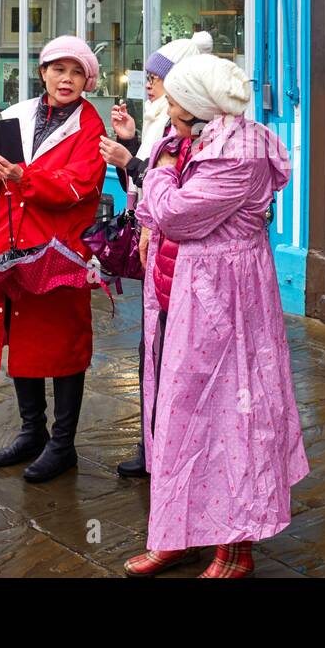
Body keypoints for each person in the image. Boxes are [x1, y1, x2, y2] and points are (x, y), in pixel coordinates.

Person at [123, 54, 309, 578]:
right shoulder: (184, 136)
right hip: (176, 290)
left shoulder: (239, 152)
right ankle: (177, 530)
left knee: (232, 412)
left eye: (175, 95)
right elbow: (149, 209)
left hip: (225, 296)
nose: (166, 102)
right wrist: (148, 208)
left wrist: (157, 180)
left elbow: (177, 215)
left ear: (200, 103)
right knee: (175, 412)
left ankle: (235, 544)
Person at [0, 36, 107, 483]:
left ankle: (62, 445)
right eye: (57, 69)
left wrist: (24, 176)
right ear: (42, 72)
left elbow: (78, 186)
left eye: (76, 72)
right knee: (20, 335)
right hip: (9, 246)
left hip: (58, 253)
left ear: (88, 80)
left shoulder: (91, 128)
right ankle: (33, 432)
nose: (66, 79)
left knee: (63, 344)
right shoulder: (17, 114)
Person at [98, 30, 213, 478]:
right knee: (153, 352)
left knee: (168, 354)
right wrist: (129, 146)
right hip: (157, 259)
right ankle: (153, 447)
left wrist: (129, 160)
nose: (147, 84)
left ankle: (164, 451)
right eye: (147, 76)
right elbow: (147, 190)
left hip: (175, 261)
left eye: (156, 77)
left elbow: (174, 196)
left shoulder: (188, 129)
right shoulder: (161, 123)